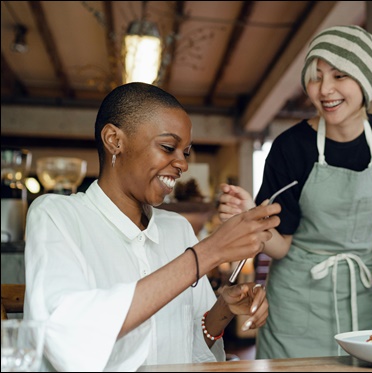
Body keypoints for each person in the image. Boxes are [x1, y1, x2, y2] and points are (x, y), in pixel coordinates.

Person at [23, 82, 281, 371]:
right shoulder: (57, 216)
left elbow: (191, 346)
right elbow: (67, 339)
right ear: (114, 140)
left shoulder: (177, 229)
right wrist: (208, 253)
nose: (182, 164)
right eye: (169, 147)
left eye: (185, 152)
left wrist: (223, 310)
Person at [217, 25, 372, 359]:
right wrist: (250, 219)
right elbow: (278, 247)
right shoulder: (291, 148)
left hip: (360, 290)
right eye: (316, 76)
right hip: (297, 299)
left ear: (365, 81)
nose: (324, 89)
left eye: (339, 76)